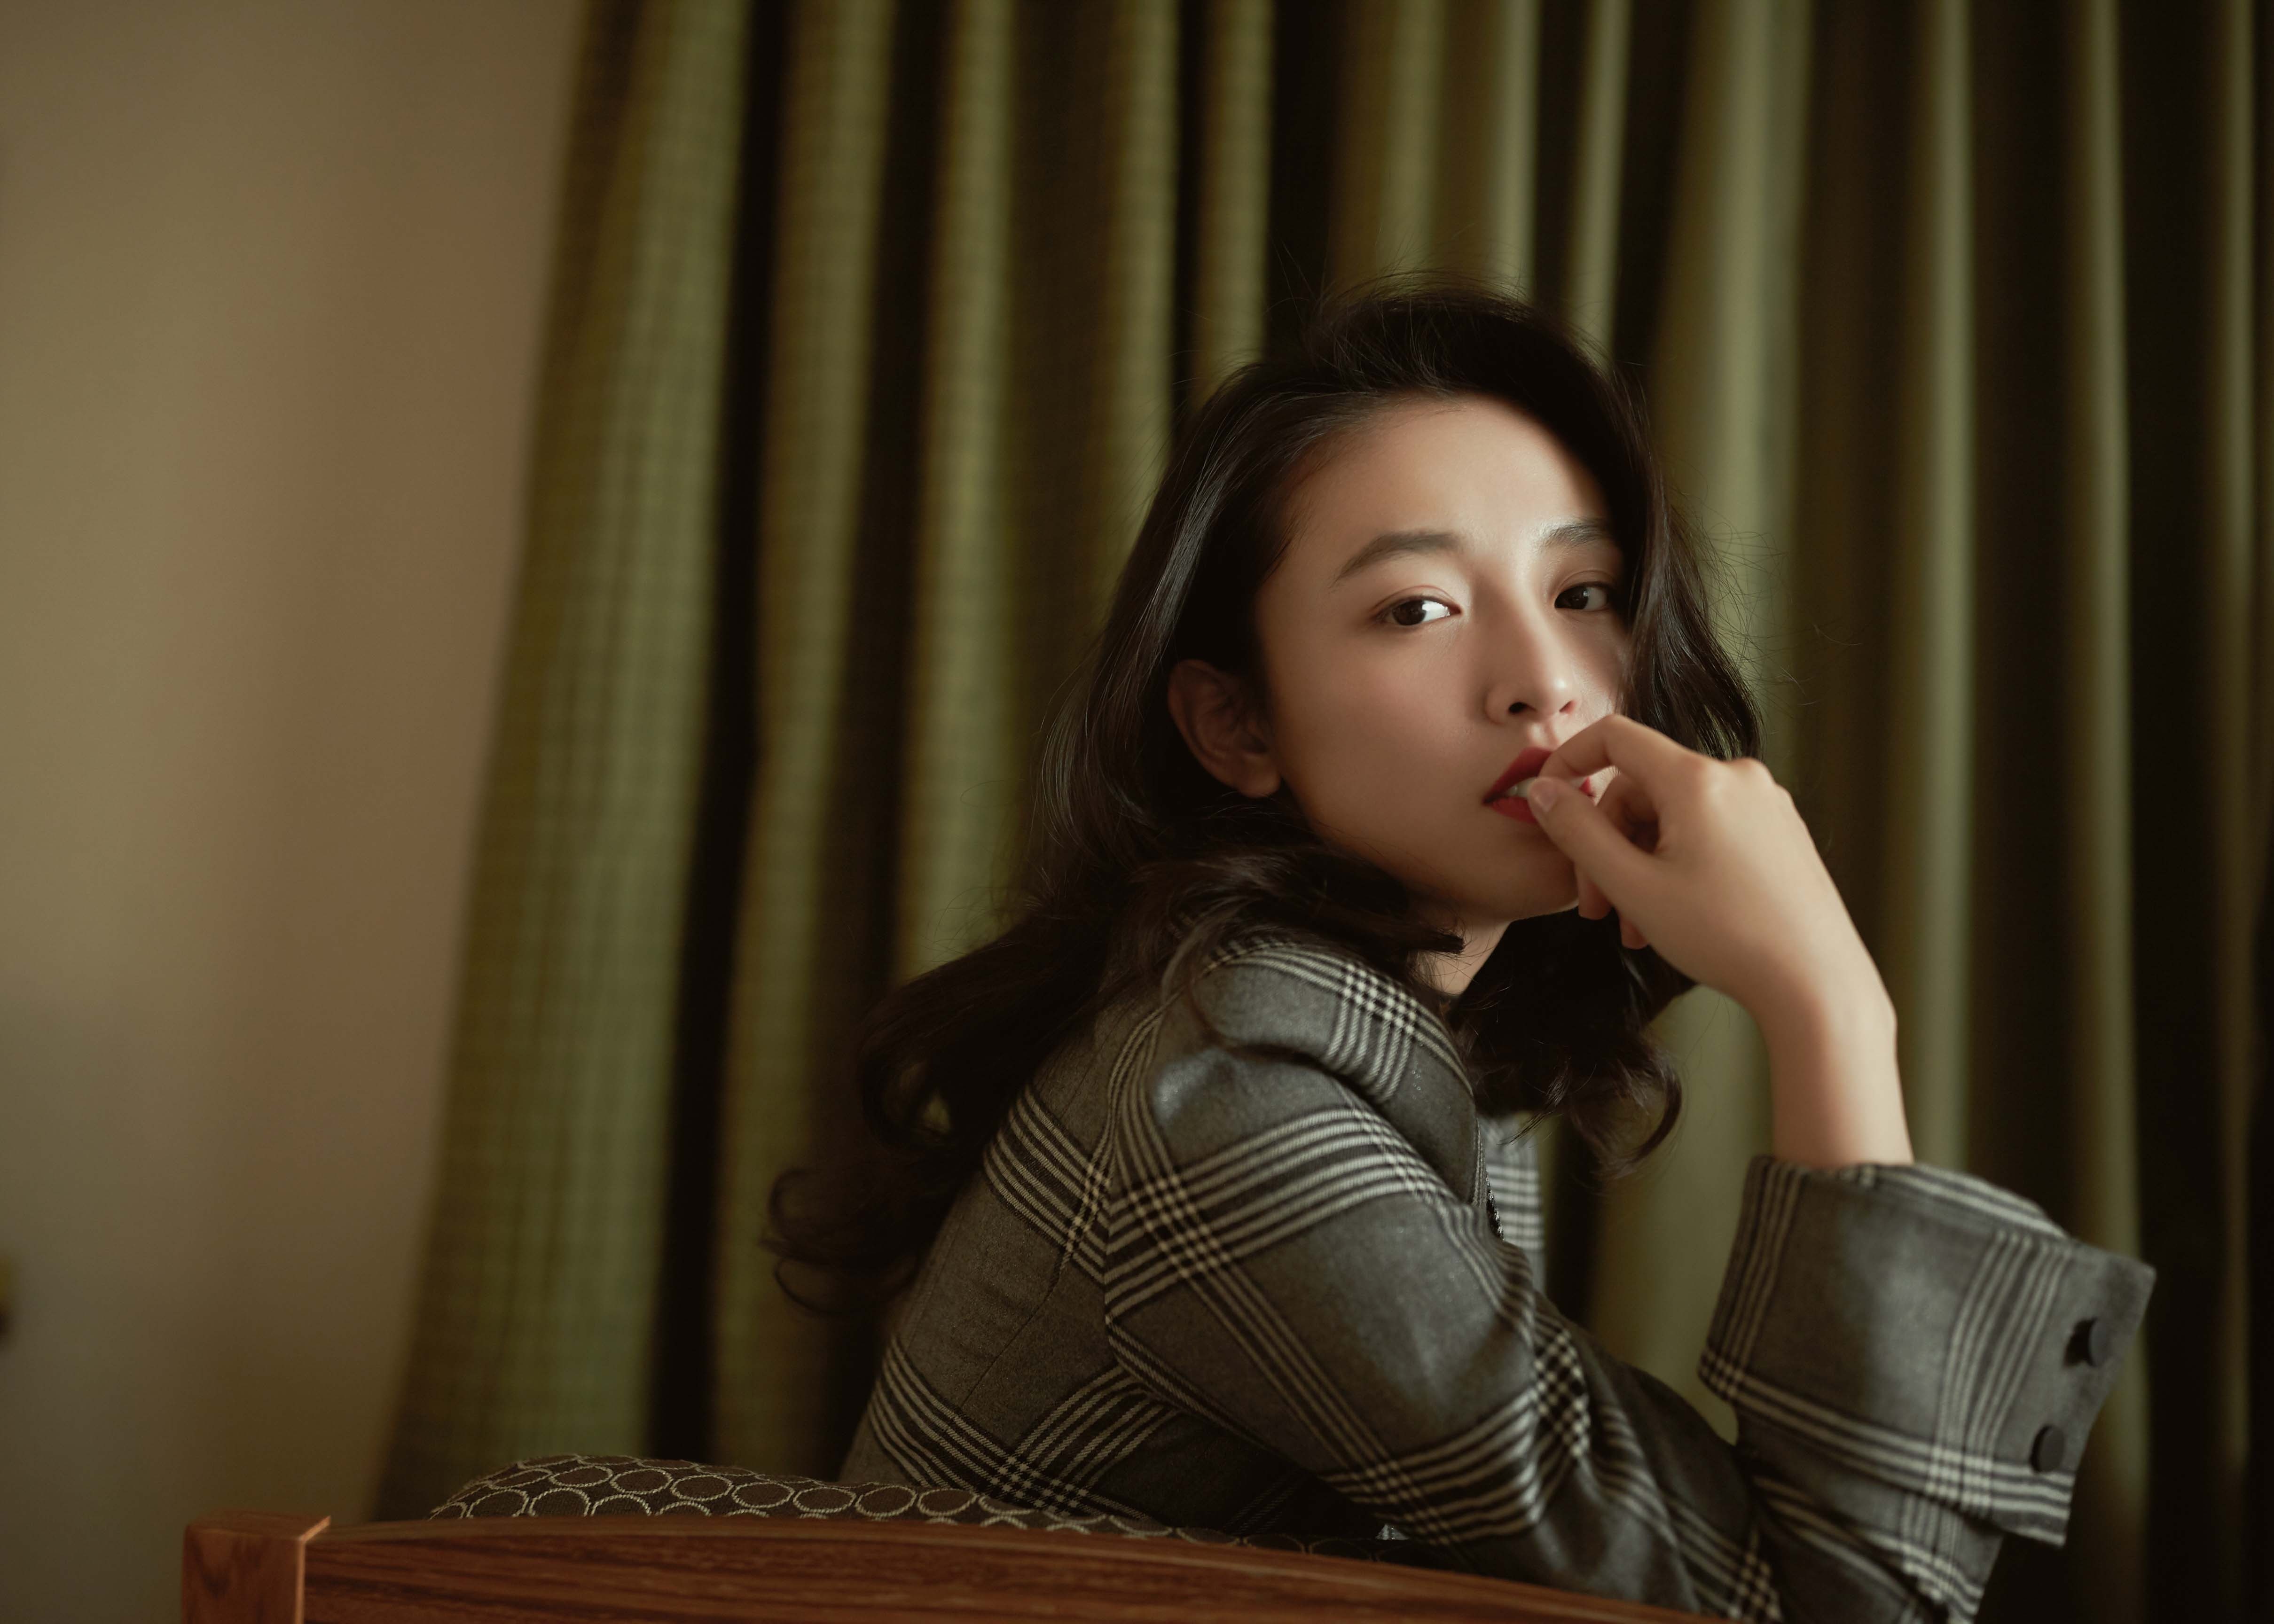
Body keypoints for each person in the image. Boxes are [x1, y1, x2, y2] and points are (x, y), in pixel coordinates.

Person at [770, 278, 2153, 1621]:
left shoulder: (1405, 1030)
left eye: (1587, 591)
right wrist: (1830, 1002)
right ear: (1237, 725)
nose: (1542, 682)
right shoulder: (1232, 1097)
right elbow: (1813, 1605)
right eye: (1417, 609)